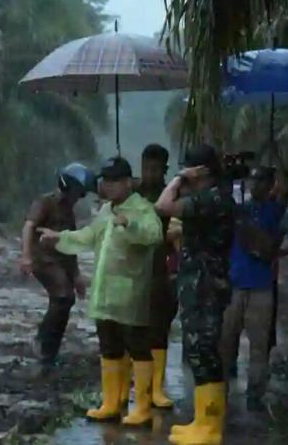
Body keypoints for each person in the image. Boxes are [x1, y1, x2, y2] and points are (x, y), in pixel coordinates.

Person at [39, 156, 162, 426]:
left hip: (130, 294)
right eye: (106, 181)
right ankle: (111, 402)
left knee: (139, 348)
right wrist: (58, 238)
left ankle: (141, 407)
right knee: (109, 347)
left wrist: (130, 225)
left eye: (115, 181)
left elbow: (154, 235)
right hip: (105, 294)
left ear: (128, 182)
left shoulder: (142, 209)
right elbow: (87, 237)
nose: (109, 186)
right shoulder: (106, 211)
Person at [155, 144, 234, 445]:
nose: (185, 180)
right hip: (197, 283)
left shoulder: (212, 198)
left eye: (189, 172)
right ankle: (202, 421)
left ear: (200, 172)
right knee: (198, 351)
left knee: (205, 351)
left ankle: (211, 427)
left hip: (207, 286)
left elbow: (163, 206)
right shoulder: (206, 199)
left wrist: (176, 179)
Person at [220, 166, 288, 411]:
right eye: (252, 180)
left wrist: (278, 253)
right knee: (225, 343)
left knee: (259, 347)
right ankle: (221, 394)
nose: (254, 185)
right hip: (235, 285)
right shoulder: (238, 210)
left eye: (260, 181)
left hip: (261, 288)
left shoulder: (278, 212)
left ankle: (254, 397)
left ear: (270, 186)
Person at [19, 163, 94, 369]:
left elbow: (70, 244)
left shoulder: (69, 212)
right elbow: (29, 226)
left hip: (60, 261)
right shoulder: (45, 201)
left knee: (65, 301)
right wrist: (26, 256)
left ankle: (49, 351)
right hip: (42, 259)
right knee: (63, 296)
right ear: (67, 186)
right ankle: (42, 340)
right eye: (77, 192)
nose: (78, 197)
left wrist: (76, 275)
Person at [121, 143, 178, 410]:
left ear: (164, 170)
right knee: (129, 329)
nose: (150, 174)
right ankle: (129, 387)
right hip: (131, 270)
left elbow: (177, 233)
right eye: (146, 168)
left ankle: (157, 387)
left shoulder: (172, 196)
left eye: (155, 169)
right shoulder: (132, 193)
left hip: (160, 270)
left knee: (158, 329)